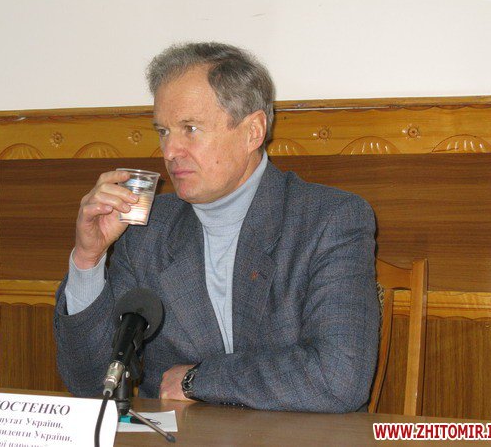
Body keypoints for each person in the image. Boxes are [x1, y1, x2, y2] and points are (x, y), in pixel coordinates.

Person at [54, 42, 379, 413]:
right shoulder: (147, 228)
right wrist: (88, 259)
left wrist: (198, 380)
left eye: (190, 129)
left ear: (253, 131)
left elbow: (339, 378)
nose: (169, 151)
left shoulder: (329, 219)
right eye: (163, 131)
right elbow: (93, 383)